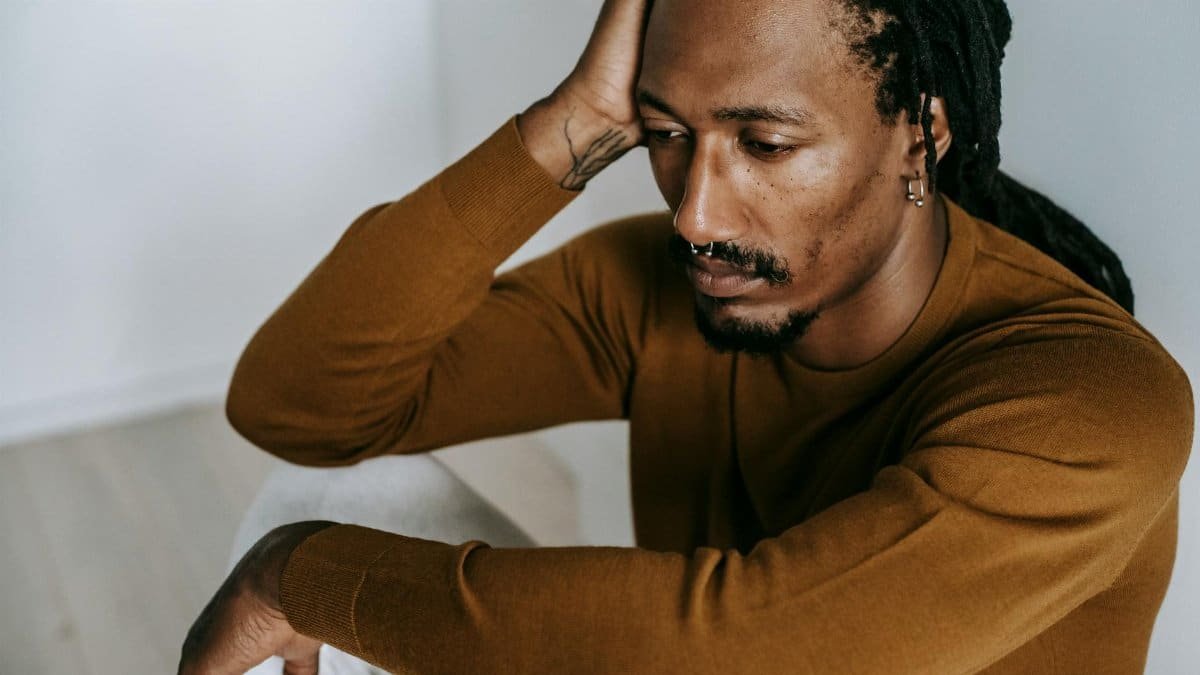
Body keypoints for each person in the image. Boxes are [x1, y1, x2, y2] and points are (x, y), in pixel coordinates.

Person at [178, 0, 1194, 673]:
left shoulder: (1092, 397)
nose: (697, 213)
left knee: (327, 560)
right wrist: (571, 125)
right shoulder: (674, 284)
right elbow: (299, 405)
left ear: (918, 136)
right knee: (333, 491)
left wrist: (298, 577)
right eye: (667, 135)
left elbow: (747, 650)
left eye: (765, 143)